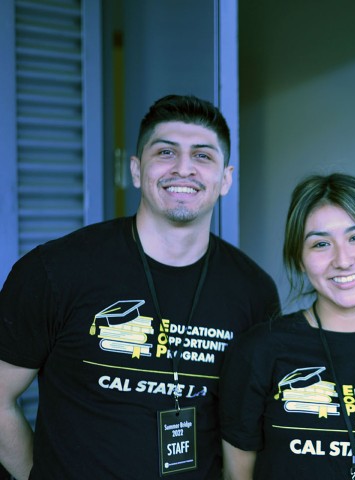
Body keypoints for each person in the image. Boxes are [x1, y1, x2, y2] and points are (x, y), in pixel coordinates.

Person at [0, 94, 279, 479]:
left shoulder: (254, 292)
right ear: (136, 170)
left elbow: (246, 429)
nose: (184, 168)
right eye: (165, 152)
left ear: (225, 178)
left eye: (202, 156)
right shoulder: (56, 270)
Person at [220, 173, 355, 479]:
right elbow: (237, 475)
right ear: (299, 258)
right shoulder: (259, 350)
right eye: (321, 244)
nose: (343, 260)